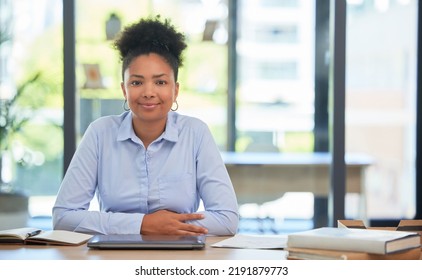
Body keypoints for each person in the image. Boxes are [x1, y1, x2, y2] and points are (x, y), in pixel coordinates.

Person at [52, 16, 239, 236]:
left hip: (179, 256)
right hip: (114, 255)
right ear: (124, 90)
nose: (149, 92)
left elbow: (227, 220)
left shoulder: (195, 133)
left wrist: (170, 226)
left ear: (175, 90)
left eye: (160, 82)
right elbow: (63, 217)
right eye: (137, 82)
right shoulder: (100, 133)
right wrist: (143, 224)